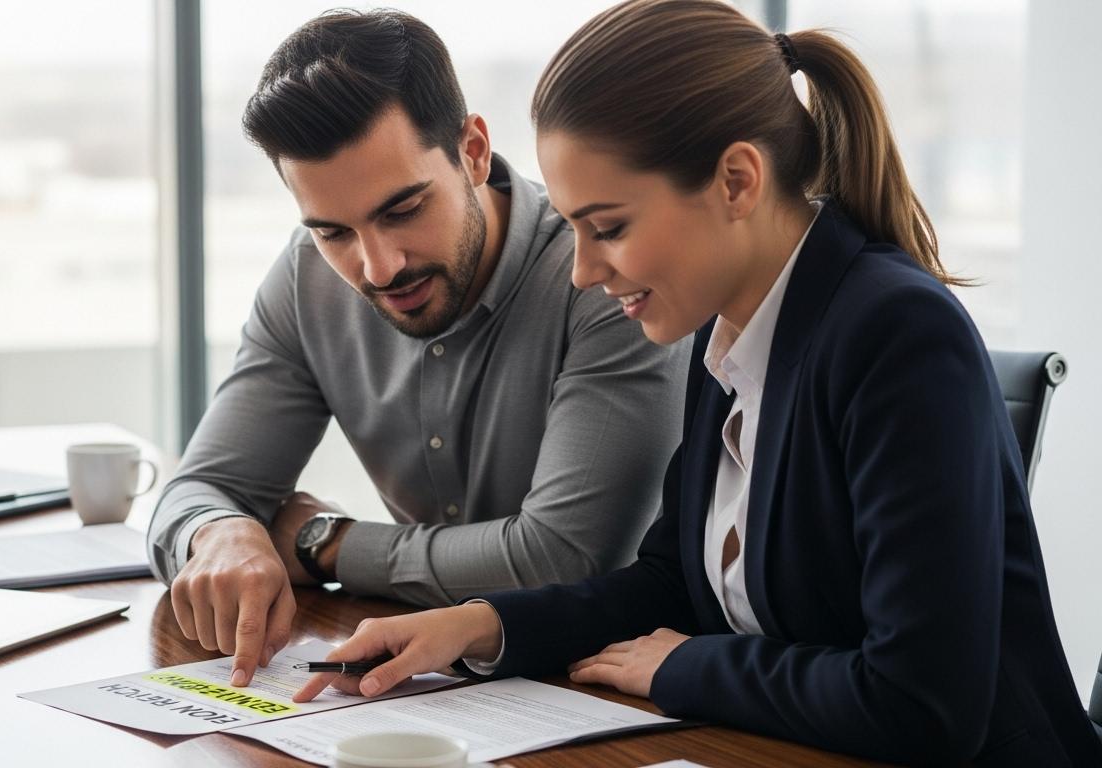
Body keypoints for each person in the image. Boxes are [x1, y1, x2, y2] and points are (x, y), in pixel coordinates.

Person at [293, 2, 1102, 765]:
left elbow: (923, 704)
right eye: (573, 229)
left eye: (608, 227)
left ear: (738, 182)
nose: (581, 272)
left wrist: (686, 670)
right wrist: (478, 627)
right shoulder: (728, 329)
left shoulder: (898, 336)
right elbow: (674, 581)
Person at [148, 9, 690, 689]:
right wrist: (221, 533)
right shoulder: (306, 281)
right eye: (332, 231)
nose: (377, 267)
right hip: (430, 688)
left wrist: (325, 543)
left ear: (473, 151)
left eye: (401, 210)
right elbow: (199, 490)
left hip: (623, 689)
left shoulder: (599, 276)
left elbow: (562, 557)